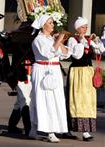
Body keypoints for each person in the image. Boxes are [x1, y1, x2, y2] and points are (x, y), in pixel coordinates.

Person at [29, 14, 69, 143]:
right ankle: (49, 132)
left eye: (53, 22)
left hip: (54, 70)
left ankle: (34, 130)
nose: (53, 25)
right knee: (43, 100)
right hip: (42, 71)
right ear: (43, 25)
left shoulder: (52, 39)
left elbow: (65, 54)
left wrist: (60, 41)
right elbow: (47, 54)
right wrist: (58, 40)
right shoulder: (38, 39)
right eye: (50, 23)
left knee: (55, 100)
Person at [66, 17, 105, 141]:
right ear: (77, 28)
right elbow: (76, 55)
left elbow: (101, 50)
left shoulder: (87, 40)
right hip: (77, 72)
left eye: (86, 26)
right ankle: (69, 128)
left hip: (87, 73)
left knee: (87, 101)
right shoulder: (73, 39)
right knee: (76, 100)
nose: (86, 29)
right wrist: (83, 41)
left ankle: (86, 131)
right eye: (83, 27)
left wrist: (95, 40)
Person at [7, 21, 35, 136]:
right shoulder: (16, 40)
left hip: (31, 73)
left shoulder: (33, 40)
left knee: (19, 102)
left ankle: (11, 125)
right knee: (25, 100)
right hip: (20, 74)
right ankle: (28, 129)